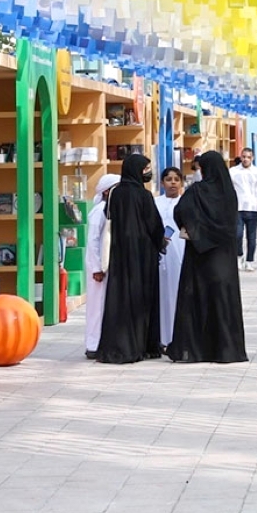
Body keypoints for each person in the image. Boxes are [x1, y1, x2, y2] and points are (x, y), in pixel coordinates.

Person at [168, 151, 248, 363]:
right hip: (224, 256)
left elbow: (180, 211)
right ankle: (226, 350)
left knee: (199, 299)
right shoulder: (229, 193)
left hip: (200, 255)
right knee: (223, 300)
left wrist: (198, 233)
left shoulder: (197, 191)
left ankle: (197, 350)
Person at [96, 154, 163, 363]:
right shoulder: (144, 195)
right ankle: (143, 346)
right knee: (142, 298)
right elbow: (154, 225)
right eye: (145, 169)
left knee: (120, 299)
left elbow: (109, 217)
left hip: (120, 253)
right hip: (143, 255)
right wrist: (160, 242)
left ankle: (118, 346)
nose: (148, 173)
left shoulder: (115, 193)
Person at [83, 173, 121, 360]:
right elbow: (93, 241)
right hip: (98, 268)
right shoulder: (99, 211)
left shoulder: (111, 210)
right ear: (107, 192)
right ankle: (93, 344)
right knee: (96, 308)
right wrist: (97, 268)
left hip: (106, 266)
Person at [155, 167, 186, 348]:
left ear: (181, 182)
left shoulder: (186, 203)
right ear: (162, 183)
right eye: (168, 179)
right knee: (161, 294)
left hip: (180, 251)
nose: (173, 183)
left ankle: (177, 337)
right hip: (160, 253)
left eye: (176, 179)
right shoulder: (155, 203)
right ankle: (161, 337)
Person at [231, 148, 257, 271]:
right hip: (237, 208)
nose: (246, 159)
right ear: (241, 157)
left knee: (251, 238)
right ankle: (239, 255)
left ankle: (249, 261)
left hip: (252, 208)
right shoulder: (233, 171)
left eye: (248, 157)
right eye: (244, 156)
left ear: (252, 158)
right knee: (237, 235)